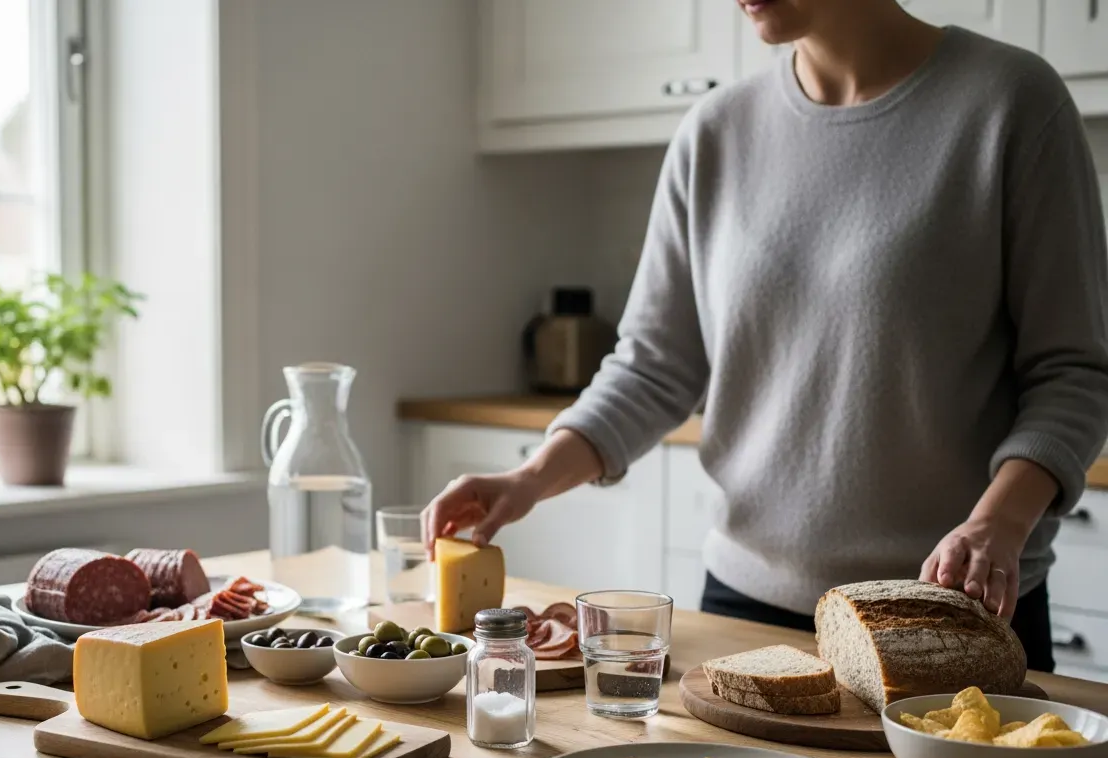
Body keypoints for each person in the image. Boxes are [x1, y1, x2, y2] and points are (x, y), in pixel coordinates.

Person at [420, 0, 1108, 673]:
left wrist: (1000, 523)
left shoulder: (1011, 104)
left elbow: (1075, 372)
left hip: (950, 615)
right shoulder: (716, 132)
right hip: (745, 612)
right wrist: (528, 479)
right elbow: (653, 366)